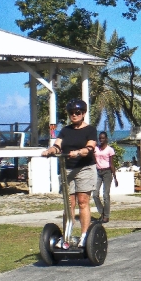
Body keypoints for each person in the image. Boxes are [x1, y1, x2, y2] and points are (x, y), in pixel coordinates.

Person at [41, 99, 98, 247]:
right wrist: (50, 151)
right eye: (71, 113)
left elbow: (90, 147)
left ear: (83, 113)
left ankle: (85, 235)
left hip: (84, 168)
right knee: (69, 204)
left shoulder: (90, 130)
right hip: (67, 169)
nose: (74, 115)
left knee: (83, 202)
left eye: (77, 113)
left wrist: (79, 152)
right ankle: (68, 235)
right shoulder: (65, 130)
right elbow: (57, 146)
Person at [93, 131, 118, 223]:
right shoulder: (96, 149)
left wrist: (115, 177)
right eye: (100, 138)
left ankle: (106, 216)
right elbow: (93, 159)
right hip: (98, 172)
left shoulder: (109, 150)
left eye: (103, 138)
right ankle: (102, 212)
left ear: (106, 139)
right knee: (95, 194)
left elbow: (112, 164)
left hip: (107, 172)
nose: (101, 140)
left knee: (105, 195)